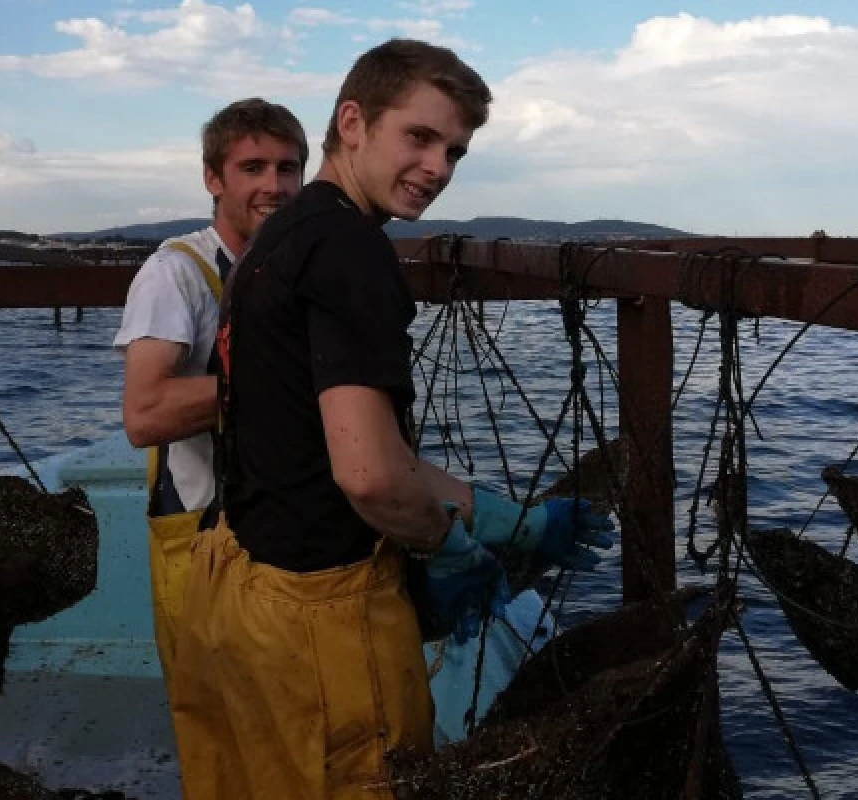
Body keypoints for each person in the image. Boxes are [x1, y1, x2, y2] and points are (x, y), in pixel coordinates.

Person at [171, 39, 613, 800]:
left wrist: (509, 519)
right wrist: (450, 547)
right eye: (419, 136)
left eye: (456, 152)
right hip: (328, 619)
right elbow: (371, 475)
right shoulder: (350, 251)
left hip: (249, 591)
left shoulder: (279, 238)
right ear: (353, 121)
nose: (438, 167)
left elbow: (335, 443)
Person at [113, 98, 308, 695]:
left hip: (286, 535)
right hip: (202, 541)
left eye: (287, 168)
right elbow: (144, 414)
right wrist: (287, 384)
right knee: (222, 729)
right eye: (252, 168)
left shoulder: (291, 270)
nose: (273, 186)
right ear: (212, 178)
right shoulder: (177, 273)